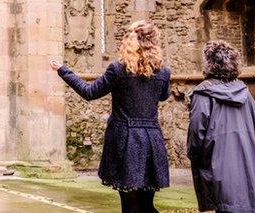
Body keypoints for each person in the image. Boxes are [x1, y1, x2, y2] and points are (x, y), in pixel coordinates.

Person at [50, 20, 170, 213]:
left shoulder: (118, 69)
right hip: (151, 140)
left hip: (126, 140)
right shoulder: (163, 72)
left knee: (130, 205)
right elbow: (164, 95)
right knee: (147, 204)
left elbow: (89, 92)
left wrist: (64, 71)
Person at [187, 40, 255, 213]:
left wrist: (194, 154)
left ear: (209, 63)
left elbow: (196, 132)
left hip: (216, 161)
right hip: (246, 158)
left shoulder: (203, 93)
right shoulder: (243, 91)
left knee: (225, 205)